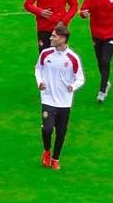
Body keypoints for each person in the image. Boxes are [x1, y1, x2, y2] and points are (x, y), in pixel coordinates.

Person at [35, 24, 85, 171]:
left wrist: (73, 86)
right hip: (48, 98)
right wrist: (40, 82)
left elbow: (80, 78)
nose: (51, 38)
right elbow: (38, 69)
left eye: (54, 36)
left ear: (62, 39)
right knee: (47, 129)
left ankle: (55, 159)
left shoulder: (72, 58)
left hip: (64, 101)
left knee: (61, 131)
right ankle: (46, 150)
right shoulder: (45, 54)